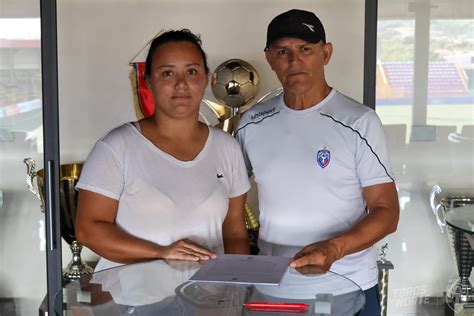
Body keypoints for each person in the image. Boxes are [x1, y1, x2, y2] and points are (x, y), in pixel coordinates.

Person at [236, 9, 399, 315]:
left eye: (305, 50)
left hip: (345, 285)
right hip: (272, 287)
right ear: (270, 58)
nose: (294, 61)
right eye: (283, 51)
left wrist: (333, 249)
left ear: (326, 53)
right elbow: (229, 203)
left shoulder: (359, 122)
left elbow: (387, 212)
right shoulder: (251, 123)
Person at [75, 29, 251, 272]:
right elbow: (88, 229)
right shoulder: (116, 147)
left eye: (191, 71)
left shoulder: (227, 147)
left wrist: (234, 285)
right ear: (148, 80)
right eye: (167, 73)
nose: (181, 84)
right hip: (134, 303)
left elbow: (234, 229)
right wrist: (161, 253)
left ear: (206, 79)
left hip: (206, 303)